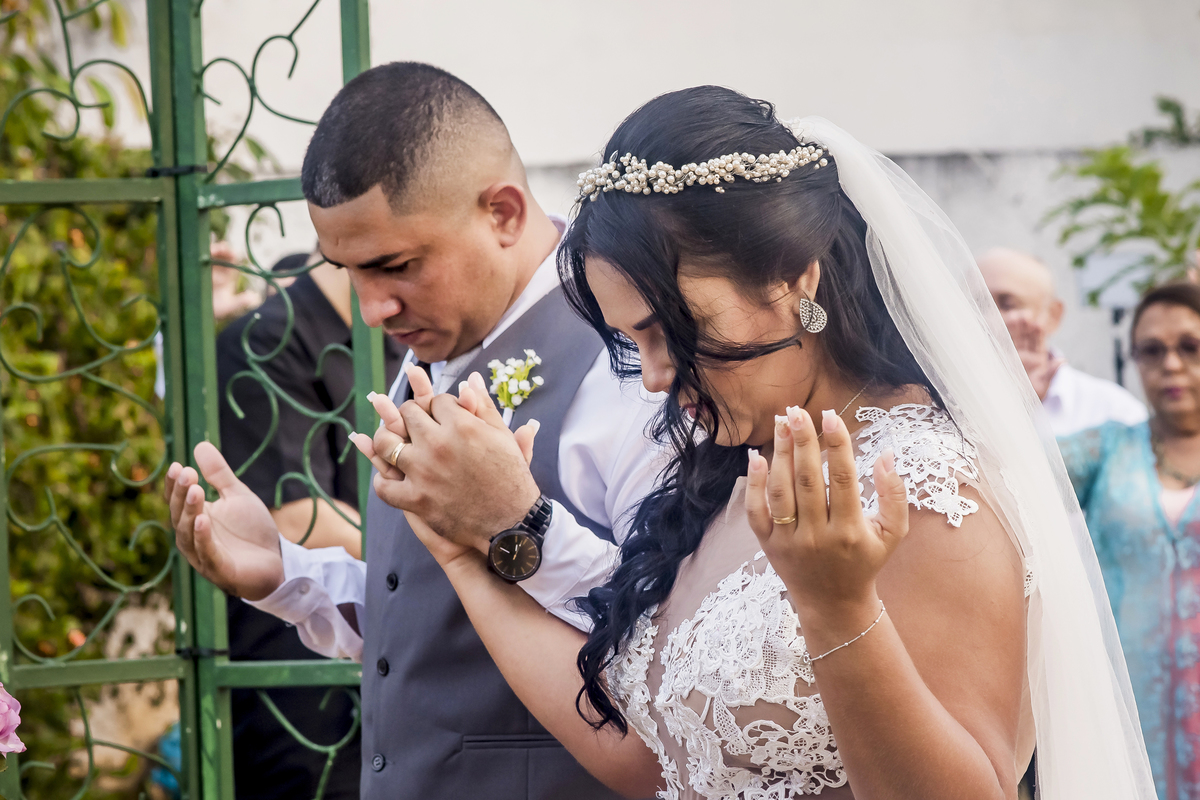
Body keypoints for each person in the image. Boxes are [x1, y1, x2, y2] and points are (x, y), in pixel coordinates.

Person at [353, 87, 1156, 799]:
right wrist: (464, 552)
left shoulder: (927, 484)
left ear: (794, 279)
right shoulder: (730, 473)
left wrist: (837, 609)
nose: (658, 378)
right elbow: (650, 761)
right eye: (636, 341)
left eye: (677, 330)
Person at [163, 62, 662, 800]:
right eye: (349, 271)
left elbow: (668, 648)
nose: (372, 310)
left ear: (503, 213)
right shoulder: (441, 339)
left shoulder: (626, 363)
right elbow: (428, 622)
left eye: (396, 266)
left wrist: (514, 526)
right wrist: (287, 574)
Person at [216, 251, 403, 798]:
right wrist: (443, 543)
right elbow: (297, 515)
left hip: (389, 654)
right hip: (299, 685)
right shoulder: (262, 341)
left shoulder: (409, 342)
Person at [1059, 282, 1200, 799]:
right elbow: (1006, 473)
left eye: (1190, 346)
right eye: (1152, 350)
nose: (1171, 364)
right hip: (1128, 711)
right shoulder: (1107, 449)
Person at [977, 247, 1147, 436]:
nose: (986, 318)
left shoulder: (1112, 410)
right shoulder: (945, 407)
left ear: (1053, 315)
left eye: (1007, 305)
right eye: (975, 303)